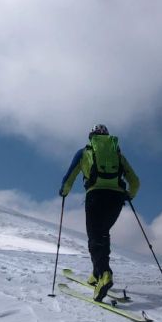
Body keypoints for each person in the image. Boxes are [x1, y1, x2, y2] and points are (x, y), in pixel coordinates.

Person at [59, 124, 140, 301]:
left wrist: (64, 191)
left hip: (95, 196)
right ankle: (96, 274)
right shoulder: (117, 155)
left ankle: (105, 273)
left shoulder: (83, 153)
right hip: (116, 199)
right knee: (103, 234)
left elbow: (70, 176)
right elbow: (135, 181)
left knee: (95, 237)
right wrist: (128, 195)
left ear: (91, 137)